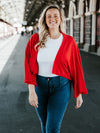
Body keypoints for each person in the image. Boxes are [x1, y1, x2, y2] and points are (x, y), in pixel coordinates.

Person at [24, 5, 88, 133]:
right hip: (40, 87)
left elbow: (76, 68)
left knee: (52, 127)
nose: (52, 19)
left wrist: (78, 93)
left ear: (60, 19)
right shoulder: (35, 40)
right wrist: (31, 91)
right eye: (49, 16)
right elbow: (28, 67)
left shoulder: (69, 42)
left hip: (61, 87)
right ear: (44, 20)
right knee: (45, 123)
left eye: (55, 16)